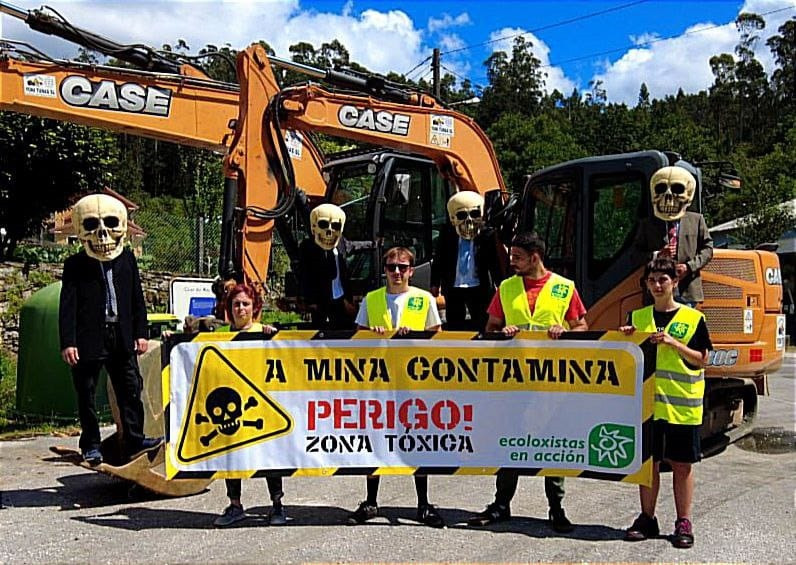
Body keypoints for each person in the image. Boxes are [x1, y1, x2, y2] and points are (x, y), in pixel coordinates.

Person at [468, 232, 588, 533]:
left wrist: (566, 331)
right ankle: (501, 503)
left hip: (552, 381)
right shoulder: (506, 288)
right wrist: (501, 331)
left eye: (517, 257)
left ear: (535, 257)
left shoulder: (564, 288)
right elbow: (490, 327)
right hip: (515, 381)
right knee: (510, 441)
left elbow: (583, 326)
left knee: (553, 444)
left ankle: (556, 507)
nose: (512, 262)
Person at [59, 193, 163, 466]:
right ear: (82, 231)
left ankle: (135, 438)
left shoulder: (127, 259)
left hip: (121, 335)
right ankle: (91, 445)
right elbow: (67, 305)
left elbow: (136, 299)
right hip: (88, 338)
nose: (102, 234)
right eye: (92, 225)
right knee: (87, 394)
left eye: (110, 224)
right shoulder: (74, 265)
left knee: (130, 388)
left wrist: (142, 332)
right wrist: (68, 342)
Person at [346, 246, 445, 528]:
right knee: (374, 440)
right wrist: (372, 335)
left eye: (402, 267)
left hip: (413, 383)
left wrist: (413, 337)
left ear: (411, 271)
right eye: (392, 267)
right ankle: (370, 501)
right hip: (379, 382)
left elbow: (436, 337)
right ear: (385, 271)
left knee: (417, 441)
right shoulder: (372, 299)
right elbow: (357, 338)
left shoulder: (424, 299)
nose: (397, 272)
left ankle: (423, 504)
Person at [620, 257, 712, 549]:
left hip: (681, 406)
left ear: (674, 282)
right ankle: (647, 518)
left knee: (682, 466)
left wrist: (673, 343)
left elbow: (702, 359)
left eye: (663, 280)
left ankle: (683, 521)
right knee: (648, 466)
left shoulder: (693, 318)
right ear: (647, 285)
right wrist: (624, 340)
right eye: (652, 280)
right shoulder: (637, 318)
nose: (657, 285)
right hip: (646, 406)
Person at [212, 283, 288, 527]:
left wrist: (273, 335)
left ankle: (277, 505)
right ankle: (235, 505)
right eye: (236, 304)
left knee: (269, 457)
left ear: (254, 307)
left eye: (245, 304)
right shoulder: (221, 337)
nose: (241, 308)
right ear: (229, 308)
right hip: (233, 403)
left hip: (261, 406)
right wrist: (174, 341)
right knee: (231, 456)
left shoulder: (264, 333)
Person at [633, 165, 713, 306]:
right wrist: (656, 255)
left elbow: (708, 249)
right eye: (661, 190)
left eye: (677, 190)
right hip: (656, 291)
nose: (668, 197)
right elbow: (635, 254)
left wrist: (689, 267)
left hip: (686, 290)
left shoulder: (696, 220)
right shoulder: (648, 224)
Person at [430, 192, 505, 331]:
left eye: (475, 214)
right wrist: (434, 284)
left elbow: (494, 262)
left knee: (481, 322)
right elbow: (439, 260)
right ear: (453, 218)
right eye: (462, 216)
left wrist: (502, 285)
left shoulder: (487, 235)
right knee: (454, 324)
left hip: (478, 286)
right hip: (454, 287)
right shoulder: (447, 234)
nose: (469, 221)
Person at [297, 203, 355, 330]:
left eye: (335, 226)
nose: (329, 231)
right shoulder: (308, 247)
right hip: (320, 300)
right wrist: (308, 300)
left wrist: (375, 243)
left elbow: (354, 246)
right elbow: (305, 274)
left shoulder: (341, 243)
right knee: (319, 331)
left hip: (340, 298)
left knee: (343, 329)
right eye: (323, 225)